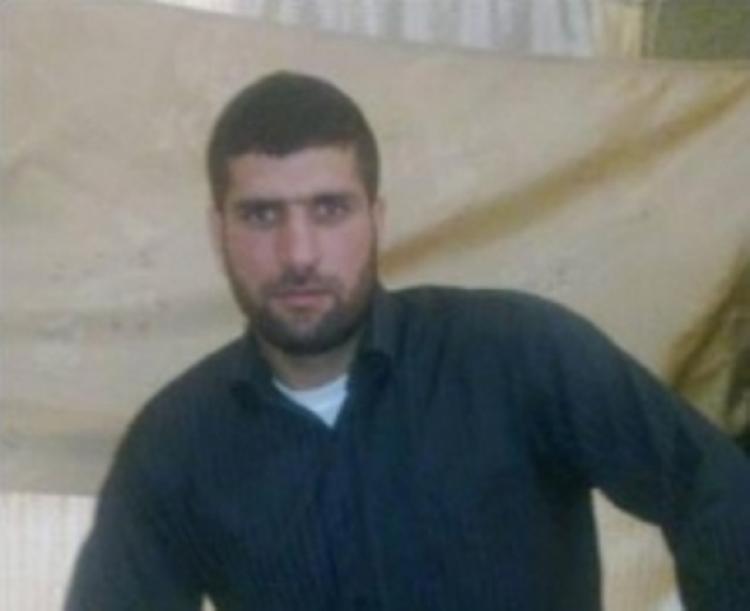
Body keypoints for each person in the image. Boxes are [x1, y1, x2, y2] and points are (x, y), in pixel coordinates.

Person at [66, 71, 750, 611]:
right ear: (218, 233)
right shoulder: (175, 445)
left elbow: (713, 487)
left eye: (329, 209)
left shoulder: (519, 354)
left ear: (377, 217)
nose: (299, 253)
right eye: (262, 215)